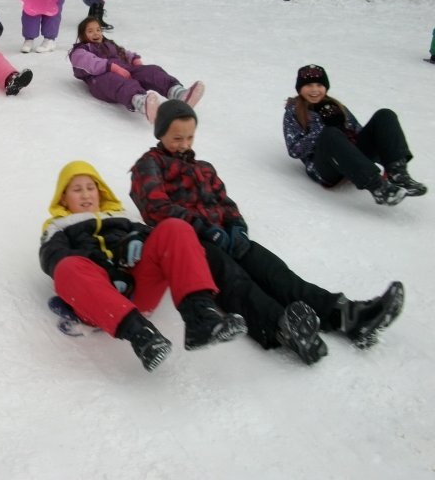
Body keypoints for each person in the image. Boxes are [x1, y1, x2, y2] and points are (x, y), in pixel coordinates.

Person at [130, 100, 406, 364]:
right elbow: (155, 207)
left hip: (225, 235)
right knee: (233, 279)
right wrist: (203, 228)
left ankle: (347, 315)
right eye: (177, 138)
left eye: (189, 137)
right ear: (161, 133)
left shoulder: (203, 168)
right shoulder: (149, 164)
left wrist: (237, 227)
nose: (184, 144)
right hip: (192, 244)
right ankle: (281, 327)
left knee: (276, 273)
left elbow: (225, 202)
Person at [40, 161, 247, 372]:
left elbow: (156, 239)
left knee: (175, 228)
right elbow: (52, 257)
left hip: (138, 291)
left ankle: (201, 317)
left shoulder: (122, 216)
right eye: (77, 190)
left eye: (90, 188)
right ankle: (142, 336)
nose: (85, 195)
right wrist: (105, 268)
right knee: (66, 267)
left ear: (100, 192)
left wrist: (136, 237)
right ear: (63, 198)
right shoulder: (58, 226)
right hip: (98, 304)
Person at [284, 64, 426, 205]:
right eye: (308, 85)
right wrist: (322, 130)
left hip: (352, 160)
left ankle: (398, 173)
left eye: (319, 85)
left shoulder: (334, 106)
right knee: (330, 133)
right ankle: (379, 188)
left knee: (385, 115)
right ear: (300, 88)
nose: (315, 89)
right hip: (326, 168)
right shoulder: (293, 112)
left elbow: (359, 132)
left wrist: (344, 128)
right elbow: (294, 150)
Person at [69, 16, 205, 120]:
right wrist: (112, 67)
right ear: (82, 35)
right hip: (101, 79)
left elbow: (124, 53)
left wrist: (134, 59)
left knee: (152, 71)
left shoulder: (109, 44)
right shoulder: (80, 51)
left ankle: (179, 93)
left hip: (125, 70)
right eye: (90, 31)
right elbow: (89, 63)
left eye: (98, 30)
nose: (96, 33)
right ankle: (141, 102)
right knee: (116, 81)